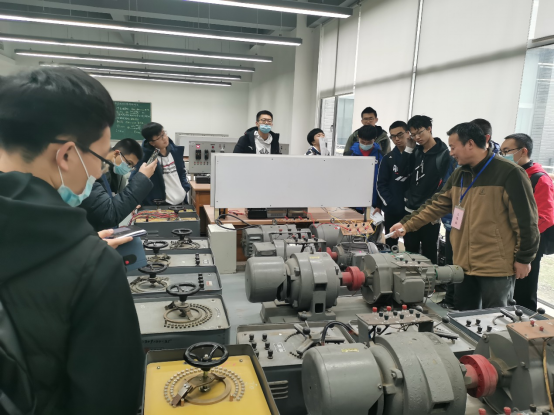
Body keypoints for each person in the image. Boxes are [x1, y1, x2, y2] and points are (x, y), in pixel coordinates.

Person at [0, 67, 144, 414]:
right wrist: (85, 258)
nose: (99, 172)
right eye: (101, 160)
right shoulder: (93, 267)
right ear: (66, 155)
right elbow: (111, 401)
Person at [390, 122, 540, 311]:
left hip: (495, 267)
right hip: (462, 265)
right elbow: (436, 204)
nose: (451, 153)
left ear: (470, 143)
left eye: (453, 147)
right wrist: (406, 224)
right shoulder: (459, 174)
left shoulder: (510, 173)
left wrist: (524, 258)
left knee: (496, 318)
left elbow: (526, 222)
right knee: (464, 318)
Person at [501, 133, 554, 311]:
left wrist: (523, 236)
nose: (504, 156)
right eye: (502, 152)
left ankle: (525, 320)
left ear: (523, 151)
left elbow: (545, 217)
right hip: (509, 238)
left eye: (507, 151)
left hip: (530, 241)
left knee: (524, 287)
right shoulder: (511, 174)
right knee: (509, 285)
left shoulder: (539, 178)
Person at [403, 115, 457, 264]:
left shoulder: (444, 154)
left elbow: (445, 185)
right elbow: (404, 173)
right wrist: (408, 149)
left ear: (429, 129)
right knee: (409, 251)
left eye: (420, 132)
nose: (417, 137)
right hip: (410, 209)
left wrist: (437, 210)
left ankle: (429, 280)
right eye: (413, 134)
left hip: (430, 212)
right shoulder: (416, 151)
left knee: (429, 252)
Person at [80, 138, 157, 231]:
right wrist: (143, 177)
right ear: (116, 153)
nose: (129, 168)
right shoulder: (90, 171)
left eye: (131, 166)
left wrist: (128, 204)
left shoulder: (111, 173)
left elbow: (107, 201)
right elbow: (108, 213)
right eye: (129, 163)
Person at [132, 122, 190, 206]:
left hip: (181, 203)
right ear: (152, 143)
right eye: (160, 137)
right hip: (160, 206)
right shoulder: (145, 158)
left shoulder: (175, 151)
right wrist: (136, 202)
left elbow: (182, 172)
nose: (164, 138)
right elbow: (135, 181)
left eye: (164, 134)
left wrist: (185, 188)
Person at [377, 121, 411, 248]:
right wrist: (390, 203)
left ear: (408, 133)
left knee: (411, 245)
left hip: (412, 210)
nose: (397, 139)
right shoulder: (388, 158)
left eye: (400, 135)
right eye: (393, 136)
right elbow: (381, 184)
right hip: (392, 210)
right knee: (391, 245)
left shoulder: (417, 155)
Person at [347, 125, 384, 215]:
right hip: (352, 200)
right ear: (358, 137)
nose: (366, 145)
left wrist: (379, 205)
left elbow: (383, 180)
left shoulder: (380, 156)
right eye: (363, 142)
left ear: (375, 139)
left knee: (371, 223)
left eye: (369, 142)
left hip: (373, 200)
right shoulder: (350, 154)